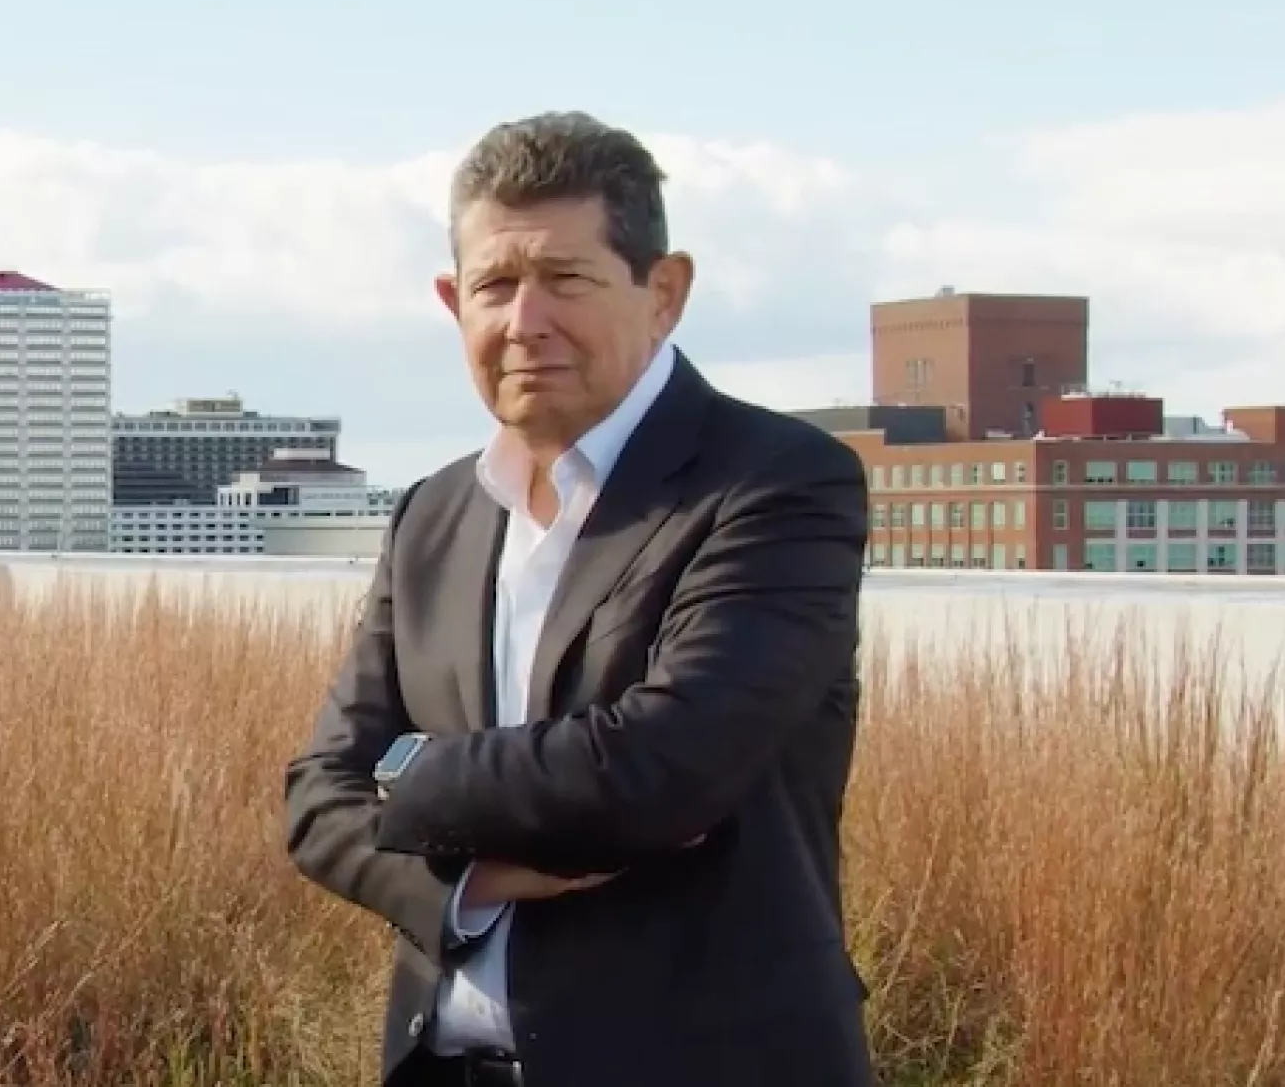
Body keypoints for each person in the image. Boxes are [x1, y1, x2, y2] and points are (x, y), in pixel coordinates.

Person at [283, 113, 875, 1086]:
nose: (526, 321)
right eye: (495, 285)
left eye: (566, 279)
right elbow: (314, 800)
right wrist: (465, 878)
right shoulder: (436, 514)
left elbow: (664, 767)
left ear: (664, 292)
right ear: (452, 300)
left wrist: (407, 778)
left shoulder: (775, 485)